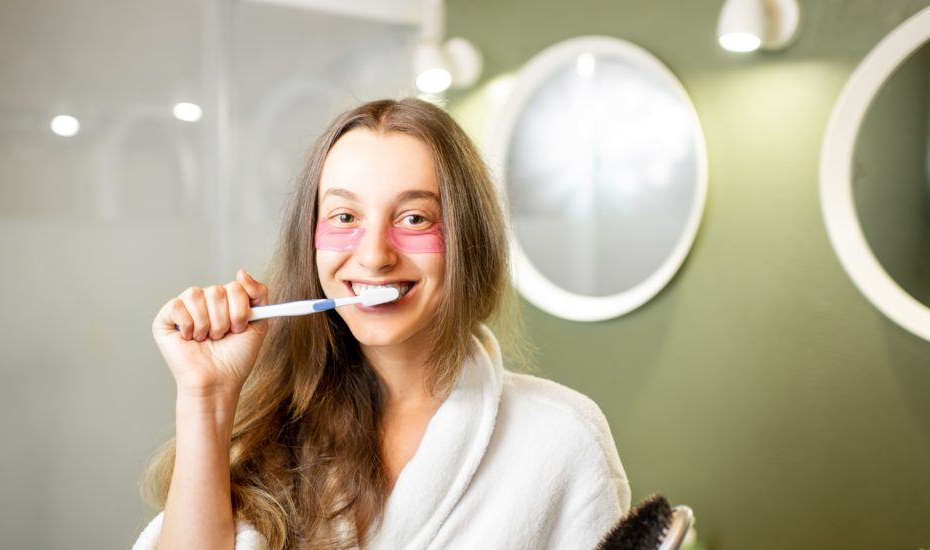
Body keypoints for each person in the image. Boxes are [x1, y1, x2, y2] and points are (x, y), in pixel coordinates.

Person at [134, 98, 630, 550]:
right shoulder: (267, 438)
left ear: (467, 238)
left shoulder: (561, 438)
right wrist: (207, 398)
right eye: (345, 216)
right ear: (310, 240)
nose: (373, 256)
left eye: (414, 219)